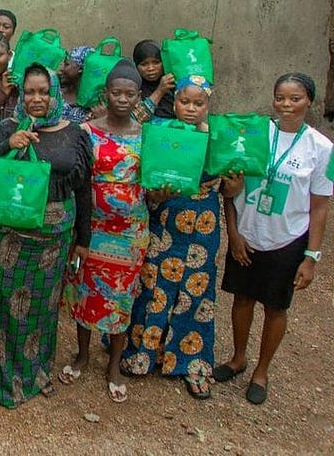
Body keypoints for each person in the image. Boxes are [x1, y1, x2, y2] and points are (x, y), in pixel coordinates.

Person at [0, 64, 92, 408]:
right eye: (29, 92)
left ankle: (36, 372)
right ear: (21, 95)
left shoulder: (74, 134)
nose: (36, 98)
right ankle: (0, 374)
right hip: (8, 238)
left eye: (44, 92)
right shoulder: (6, 127)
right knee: (3, 306)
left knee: (42, 309)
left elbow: (83, 188)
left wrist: (83, 239)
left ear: (55, 93)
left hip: (52, 242)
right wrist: (6, 146)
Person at [216, 73, 332, 405]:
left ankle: (261, 371)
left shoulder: (322, 149)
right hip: (247, 233)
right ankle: (238, 358)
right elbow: (230, 188)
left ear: (309, 101)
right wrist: (234, 234)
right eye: (280, 97)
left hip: (287, 239)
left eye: (295, 98)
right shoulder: (254, 134)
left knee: (275, 306)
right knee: (242, 299)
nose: (286, 105)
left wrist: (311, 257)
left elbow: (320, 207)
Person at [120, 75, 233, 400]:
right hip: (166, 220)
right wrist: (159, 195)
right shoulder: (161, 131)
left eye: (199, 103)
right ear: (175, 102)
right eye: (185, 101)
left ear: (208, 105)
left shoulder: (217, 138)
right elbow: (149, 188)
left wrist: (235, 182)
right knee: (154, 285)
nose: (191, 108)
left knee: (196, 290)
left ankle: (191, 362)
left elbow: (230, 189)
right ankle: (142, 354)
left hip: (203, 225)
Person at [59, 60, 148, 403]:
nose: (122, 99)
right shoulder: (86, 131)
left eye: (130, 94)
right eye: (116, 92)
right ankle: (82, 355)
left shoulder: (147, 136)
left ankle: (113, 366)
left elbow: (152, 184)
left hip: (130, 232)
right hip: (91, 228)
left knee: (121, 298)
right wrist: (79, 232)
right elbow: (78, 181)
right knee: (85, 291)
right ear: (105, 93)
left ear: (138, 96)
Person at [130, 40, 175, 122]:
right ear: (136, 66)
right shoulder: (133, 87)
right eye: (144, 64)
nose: (151, 68)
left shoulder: (173, 82)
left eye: (156, 62)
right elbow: (134, 119)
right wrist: (160, 91)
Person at [59, 45, 98, 124]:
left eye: (67, 64)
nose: (61, 69)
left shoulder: (95, 101)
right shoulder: (56, 92)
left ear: (81, 68)